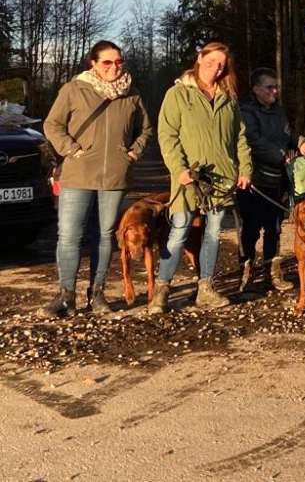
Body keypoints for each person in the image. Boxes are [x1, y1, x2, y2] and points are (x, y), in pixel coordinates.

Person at [39, 41, 152, 317]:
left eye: (119, 62)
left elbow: (146, 129)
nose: (115, 67)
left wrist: (132, 154)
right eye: (107, 62)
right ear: (93, 63)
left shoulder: (132, 94)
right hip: (78, 174)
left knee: (103, 236)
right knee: (69, 236)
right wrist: (71, 149)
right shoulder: (74, 89)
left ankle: (97, 294)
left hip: (114, 177)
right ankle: (65, 296)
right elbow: (52, 125)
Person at [151, 42, 252, 314]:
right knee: (179, 231)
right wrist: (178, 169)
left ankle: (205, 288)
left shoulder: (228, 98)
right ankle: (161, 290)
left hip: (221, 179)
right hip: (188, 178)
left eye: (221, 65)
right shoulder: (178, 94)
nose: (216, 68)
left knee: (212, 233)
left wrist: (245, 169)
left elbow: (240, 137)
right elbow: (167, 136)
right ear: (199, 58)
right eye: (211, 62)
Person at [237, 67, 305, 292]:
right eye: (270, 87)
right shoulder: (246, 111)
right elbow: (254, 141)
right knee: (251, 228)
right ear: (256, 89)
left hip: (278, 179)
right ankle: (246, 271)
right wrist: (281, 156)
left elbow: (288, 134)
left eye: (276, 86)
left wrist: (302, 143)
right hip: (253, 180)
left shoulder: (279, 111)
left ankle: (273, 271)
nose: (275, 91)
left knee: (275, 227)